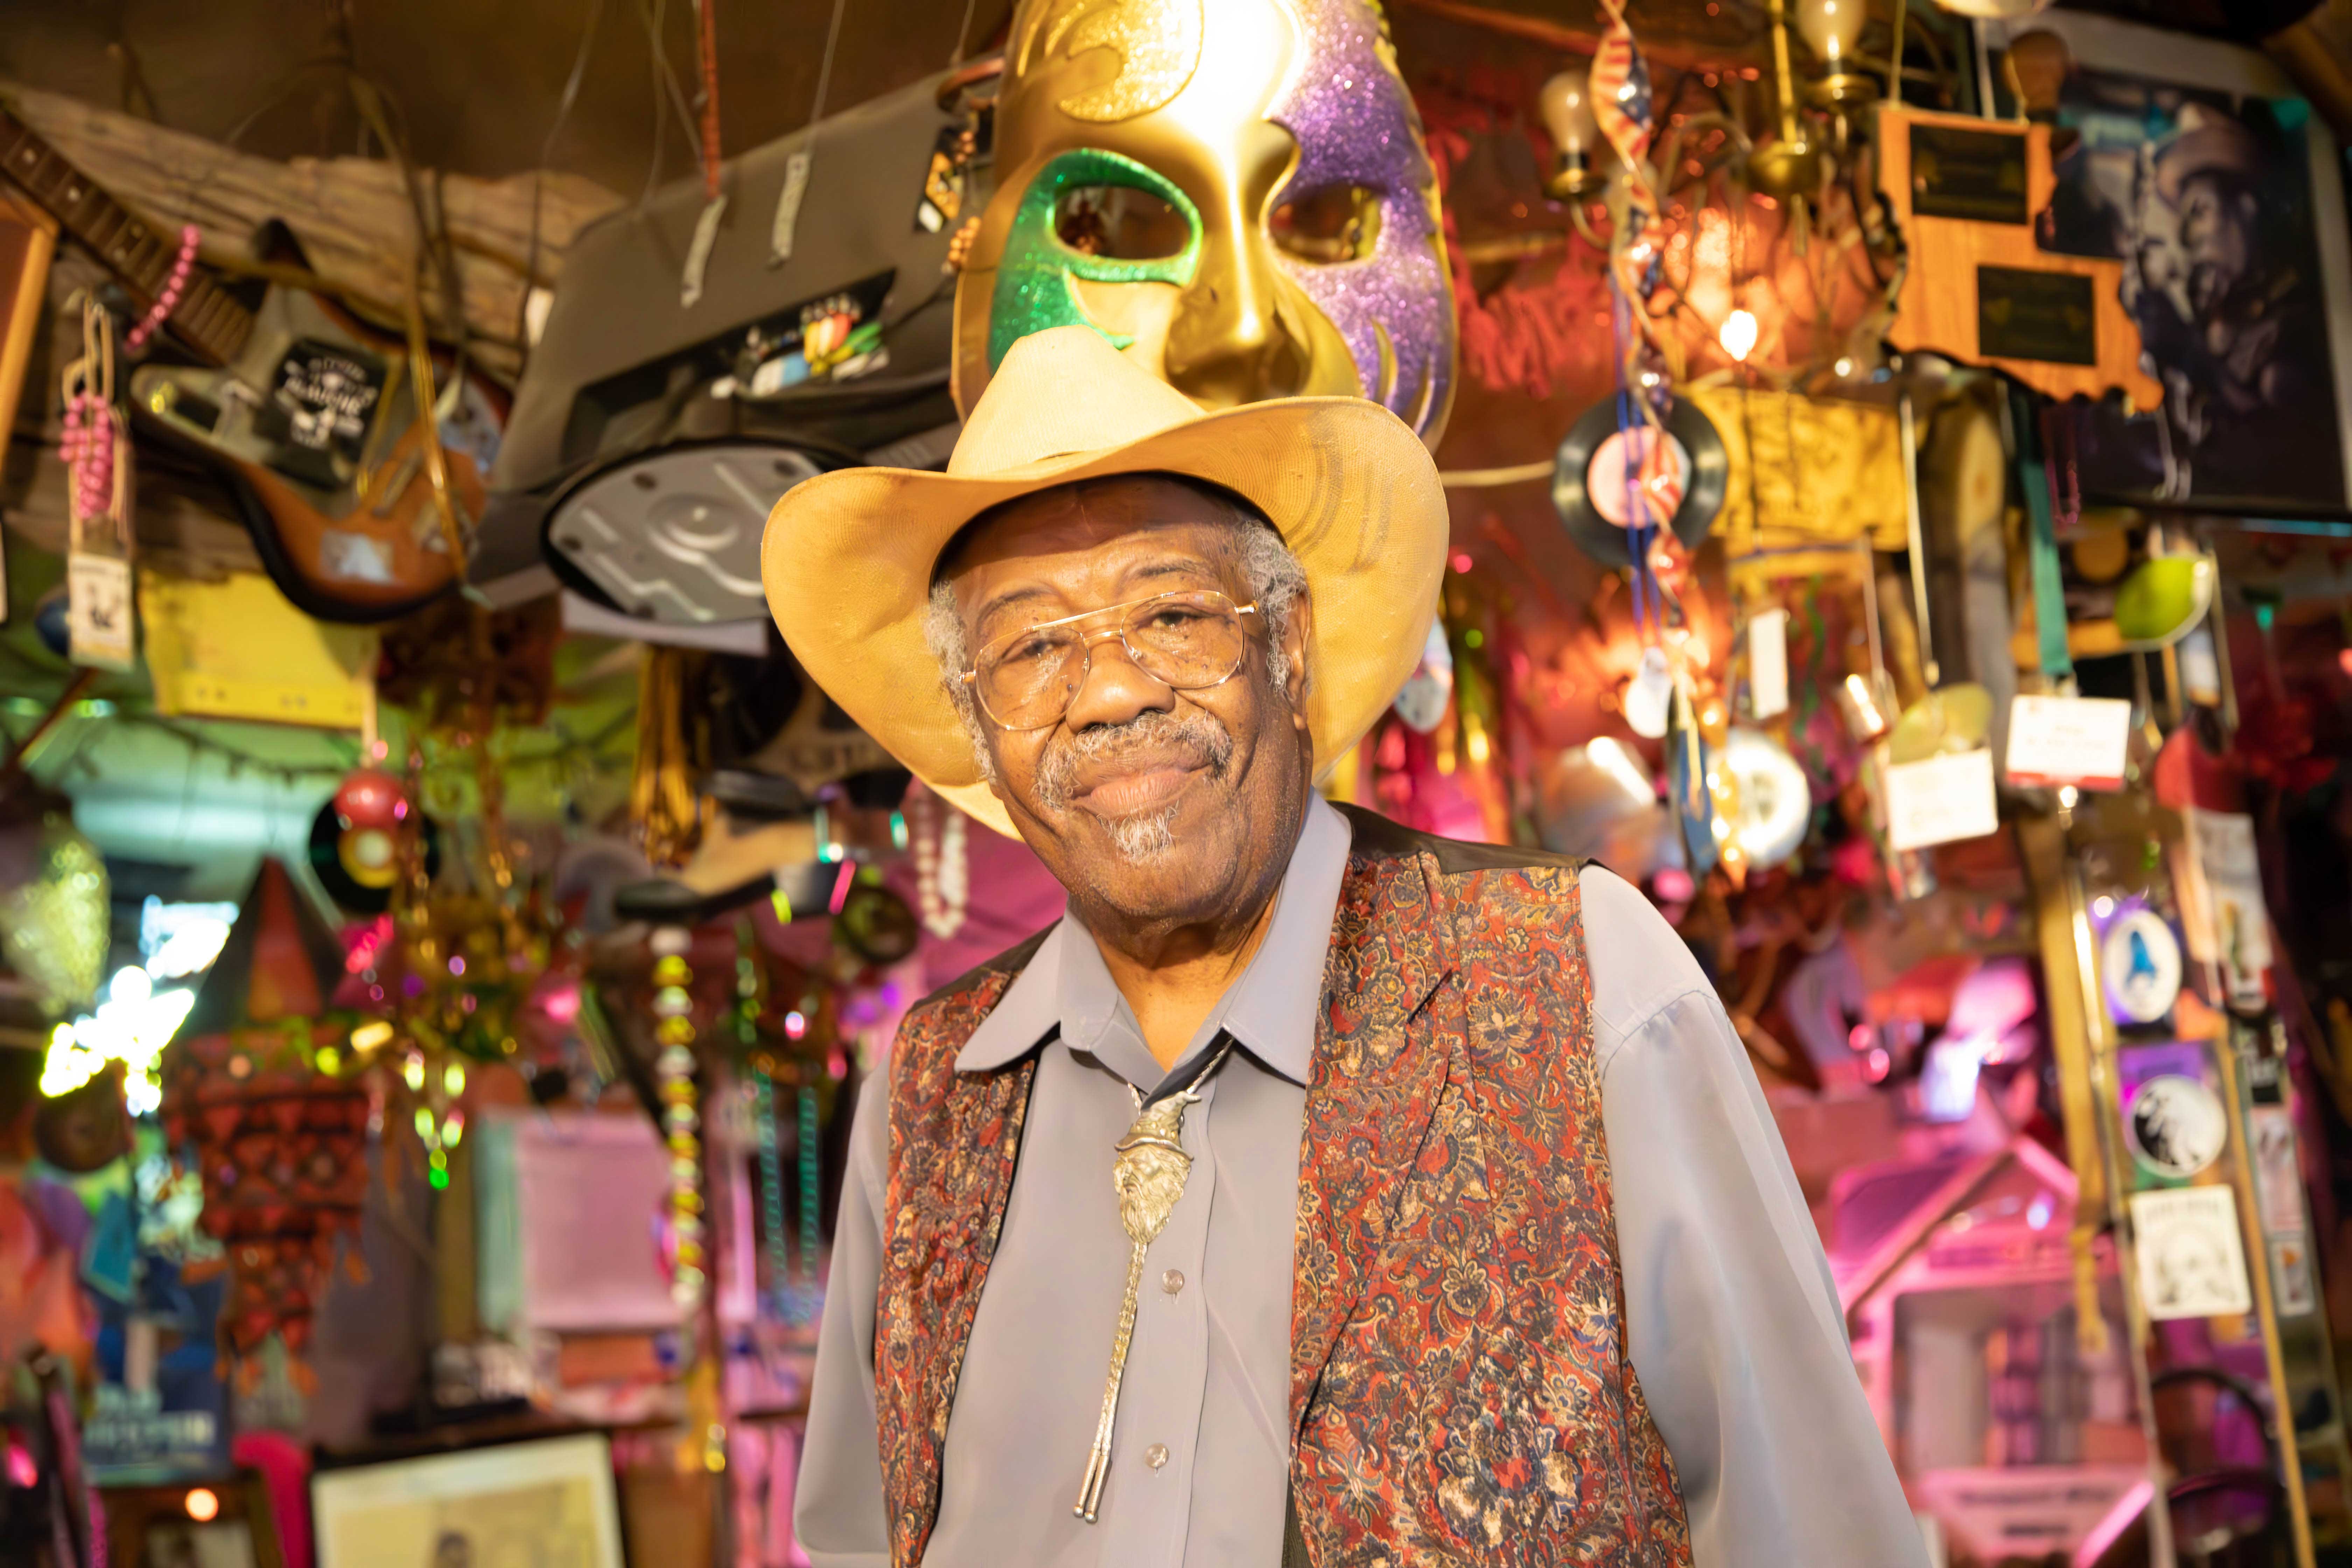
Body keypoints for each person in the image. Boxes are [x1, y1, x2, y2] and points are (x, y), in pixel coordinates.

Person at [765, 325, 1925, 1567]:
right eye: (1033, 647)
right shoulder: (932, 1092)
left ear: (1289, 643)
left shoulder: (1572, 976)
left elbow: (1814, 1527)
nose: (1108, 694)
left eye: (1170, 613)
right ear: (975, 726)